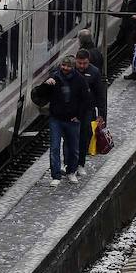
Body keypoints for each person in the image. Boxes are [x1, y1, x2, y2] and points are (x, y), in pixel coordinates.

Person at [44, 56, 89, 186]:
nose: (65, 68)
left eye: (68, 66)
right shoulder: (54, 77)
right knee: (54, 147)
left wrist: (79, 116)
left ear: (73, 67)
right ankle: (56, 175)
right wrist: (47, 83)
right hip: (56, 119)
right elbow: (41, 93)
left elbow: (86, 100)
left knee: (74, 149)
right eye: (64, 65)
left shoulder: (80, 80)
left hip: (72, 120)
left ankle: (71, 171)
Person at [74, 49, 107, 169]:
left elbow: (100, 94)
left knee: (84, 135)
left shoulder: (94, 72)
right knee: (70, 136)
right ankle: (69, 162)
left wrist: (101, 115)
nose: (82, 66)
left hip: (87, 109)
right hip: (72, 109)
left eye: (85, 63)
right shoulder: (70, 70)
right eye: (79, 63)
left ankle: (80, 163)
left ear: (89, 62)